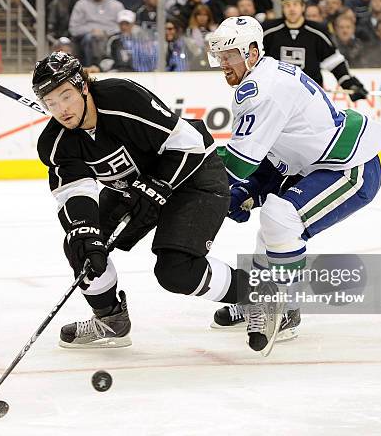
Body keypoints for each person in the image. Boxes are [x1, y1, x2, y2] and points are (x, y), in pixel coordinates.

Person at [32, 52, 276, 354]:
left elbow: (190, 143)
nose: (61, 110)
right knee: (81, 246)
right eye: (51, 103)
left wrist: (157, 186)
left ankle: (260, 293)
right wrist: (86, 232)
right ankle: (111, 320)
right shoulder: (55, 142)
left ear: (83, 85)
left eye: (66, 96)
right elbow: (73, 193)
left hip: (193, 176)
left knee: (175, 271)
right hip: (133, 190)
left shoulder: (122, 98)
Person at [207, 16, 381, 335]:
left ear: (252, 52)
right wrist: (249, 192)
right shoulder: (264, 76)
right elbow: (275, 156)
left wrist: (205, 182)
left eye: (230, 55)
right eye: (220, 56)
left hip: (350, 168)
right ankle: (258, 299)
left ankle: (286, 308)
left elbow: (238, 164)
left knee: (280, 219)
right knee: (271, 232)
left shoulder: (263, 89)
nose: (223, 63)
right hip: (318, 165)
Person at [262, 0, 368, 101]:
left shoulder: (317, 32)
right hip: (278, 97)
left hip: (309, 98)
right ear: (283, 8)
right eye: (287, 5)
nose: (291, 8)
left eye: (295, 4)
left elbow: (334, 63)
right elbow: (257, 63)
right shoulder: (268, 31)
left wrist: (350, 84)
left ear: (303, 7)